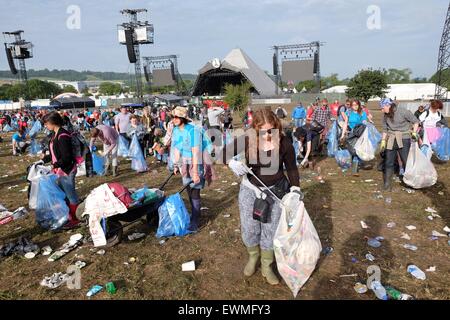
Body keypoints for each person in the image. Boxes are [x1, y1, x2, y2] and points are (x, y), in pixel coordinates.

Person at [219, 109, 300, 285]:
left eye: (271, 130)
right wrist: (231, 162)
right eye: (262, 131)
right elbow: (222, 154)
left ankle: (266, 265)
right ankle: (253, 257)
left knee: (270, 229)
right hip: (250, 190)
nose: (267, 135)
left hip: (276, 191)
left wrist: (295, 189)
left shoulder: (285, 143)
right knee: (250, 227)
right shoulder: (248, 139)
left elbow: (292, 168)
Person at [171, 106, 212, 232]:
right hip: (185, 161)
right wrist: (176, 165)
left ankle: (195, 219)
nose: (175, 119)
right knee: (188, 188)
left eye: (177, 117)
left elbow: (196, 152)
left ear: (183, 117)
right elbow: (177, 149)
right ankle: (195, 213)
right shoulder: (176, 130)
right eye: (173, 117)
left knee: (195, 190)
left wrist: (195, 172)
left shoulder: (193, 131)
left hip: (197, 160)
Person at [42, 112, 80, 229]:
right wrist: (45, 160)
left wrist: (54, 165)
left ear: (52, 122)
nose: (45, 126)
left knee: (71, 196)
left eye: (46, 123)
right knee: (63, 195)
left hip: (66, 170)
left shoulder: (63, 136)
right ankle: (68, 216)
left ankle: (75, 219)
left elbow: (67, 157)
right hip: (60, 169)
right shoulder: (55, 134)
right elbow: (56, 153)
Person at [379, 98, 419, 191]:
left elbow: (416, 121)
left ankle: (409, 182)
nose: (381, 110)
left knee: (406, 161)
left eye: (382, 107)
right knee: (388, 162)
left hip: (404, 139)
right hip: (391, 139)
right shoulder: (385, 115)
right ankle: (387, 184)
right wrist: (383, 141)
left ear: (388, 105)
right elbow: (385, 129)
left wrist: (414, 132)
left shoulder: (403, 111)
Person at [341, 100, 368, 176]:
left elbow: (364, 124)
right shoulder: (348, 113)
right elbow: (346, 123)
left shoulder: (362, 113)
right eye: (353, 105)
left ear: (359, 105)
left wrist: (365, 136)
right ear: (351, 106)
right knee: (352, 150)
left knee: (357, 151)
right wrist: (343, 134)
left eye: (356, 105)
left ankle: (354, 170)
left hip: (360, 134)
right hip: (351, 134)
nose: (355, 107)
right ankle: (355, 164)